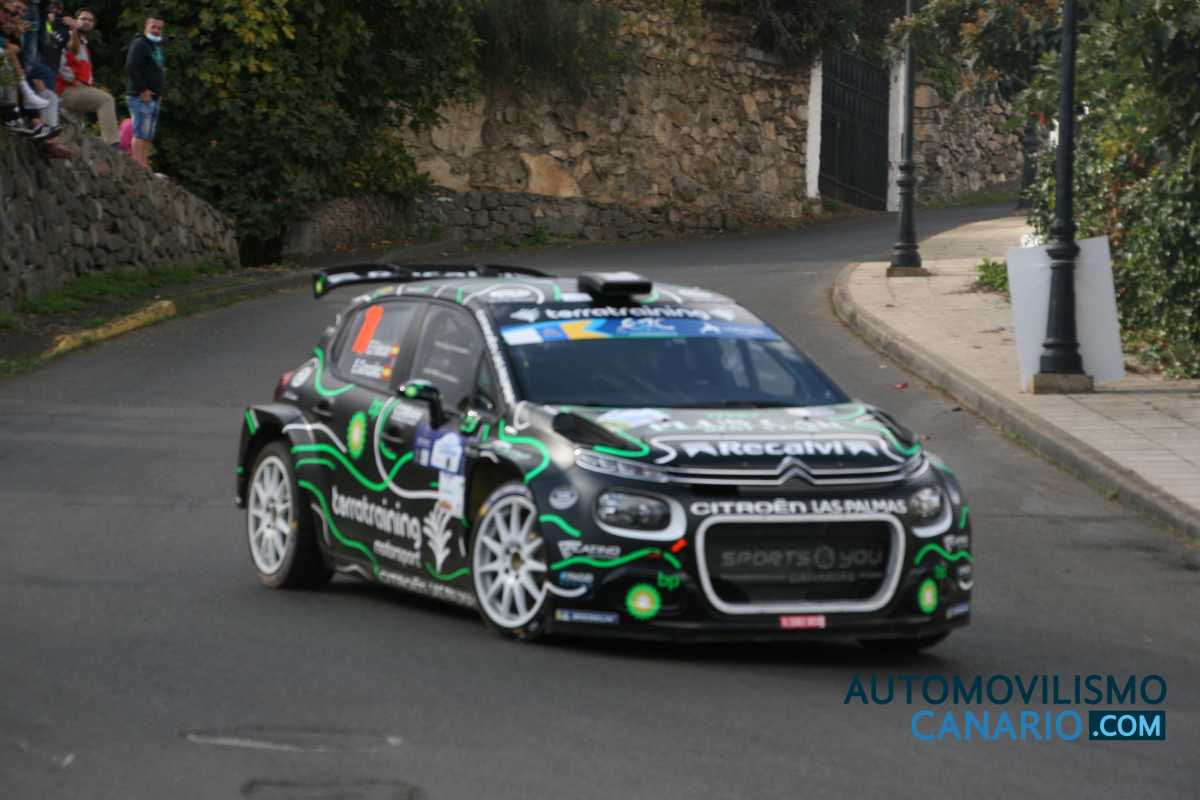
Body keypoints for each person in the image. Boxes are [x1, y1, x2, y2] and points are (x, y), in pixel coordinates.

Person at [57, 6, 117, 145]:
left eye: (90, 20)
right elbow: (64, 57)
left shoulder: (84, 43)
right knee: (106, 100)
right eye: (83, 19)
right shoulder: (68, 35)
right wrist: (74, 81)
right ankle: (112, 143)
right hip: (69, 89)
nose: (87, 22)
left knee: (73, 134)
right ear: (75, 20)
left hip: (74, 90)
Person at [124, 13, 162, 169]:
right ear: (146, 26)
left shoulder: (155, 46)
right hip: (140, 96)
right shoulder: (139, 43)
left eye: (159, 28)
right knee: (140, 133)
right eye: (153, 26)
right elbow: (131, 67)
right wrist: (143, 89)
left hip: (154, 98)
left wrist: (159, 94)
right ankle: (137, 166)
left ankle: (144, 166)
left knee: (148, 135)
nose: (156, 30)